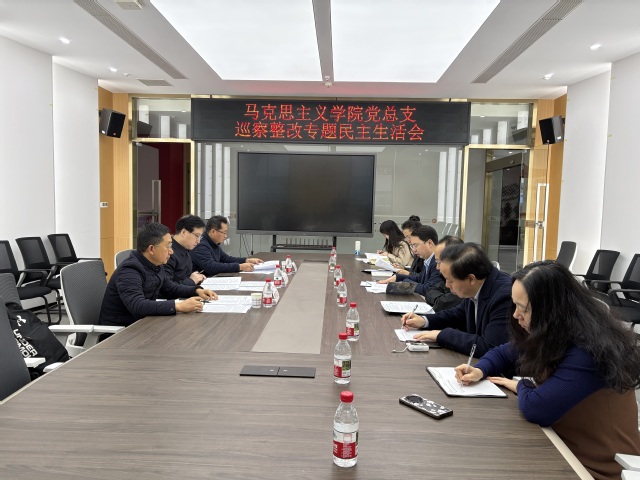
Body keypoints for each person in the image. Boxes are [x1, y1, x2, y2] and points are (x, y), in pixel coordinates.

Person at [454, 261, 640, 480]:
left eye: (523, 308)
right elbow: (504, 352)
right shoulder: (555, 333)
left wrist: (523, 385)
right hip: (562, 447)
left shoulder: (589, 352)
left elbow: (536, 407)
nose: (515, 315)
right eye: (515, 306)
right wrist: (479, 369)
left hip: (596, 468)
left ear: (550, 310)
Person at [99, 223, 217, 328]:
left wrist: (196, 291)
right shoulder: (130, 270)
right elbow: (138, 306)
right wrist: (179, 306)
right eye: (168, 246)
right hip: (121, 333)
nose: (171, 251)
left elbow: (171, 288)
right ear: (151, 249)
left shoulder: (155, 264)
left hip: (143, 324)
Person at [401, 242, 510, 356]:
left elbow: (489, 346)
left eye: (450, 280)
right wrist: (424, 321)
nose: (447, 285)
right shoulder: (475, 285)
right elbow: (457, 314)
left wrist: (441, 335)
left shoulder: (504, 296)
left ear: (471, 279)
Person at [190, 215, 263, 276]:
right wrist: (240, 267)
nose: (226, 236)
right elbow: (212, 267)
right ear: (213, 231)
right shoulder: (200, 245)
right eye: (224, 233)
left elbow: (226, 259)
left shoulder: (213, 242)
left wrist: (246, 260)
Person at [378, 225, 441, 296]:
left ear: (429, 243)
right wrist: (398, 277)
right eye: (412, 246)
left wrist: (406, 282)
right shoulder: (428, 259)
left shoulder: (438, 262)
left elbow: (428, 290)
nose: (414, 250)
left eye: (416, 245)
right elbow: (420, 278)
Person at [424, 236, 464, 312]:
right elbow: (430, 290)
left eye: (439, 262)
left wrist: (439, 300)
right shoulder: (445, 276)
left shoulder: (463, 279)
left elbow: (442, 304)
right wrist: (439, 299)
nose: (437, 267)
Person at [164, 215, 207, 286]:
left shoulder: (185, 249)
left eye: (200, 237)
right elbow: (167, 287)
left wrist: (197, 278)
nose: (198, 241)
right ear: (183, 232)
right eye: (197, 236)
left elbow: (184, 278)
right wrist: (191, 281)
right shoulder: (168, 252)